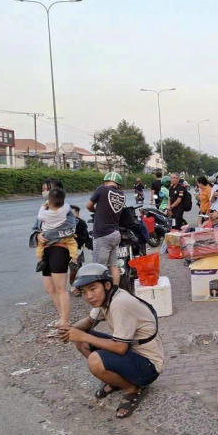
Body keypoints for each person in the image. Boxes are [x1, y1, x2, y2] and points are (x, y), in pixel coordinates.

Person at [60, 264, 164, 419]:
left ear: (106, 285)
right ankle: (117, 380)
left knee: (95, 360)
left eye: (93, 289)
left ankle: (131, 389)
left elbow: (120, 348)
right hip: (132, 352)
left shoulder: (119, 303)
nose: (89, 296)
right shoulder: (107, 298)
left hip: (149, 365)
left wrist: (82, 336)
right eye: (84, 292)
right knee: (81, 342)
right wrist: (68, 330)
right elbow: (89, 321)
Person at [31, 178, 77, 330]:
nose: (44, 191)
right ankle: (61, 316)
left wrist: (48, 235)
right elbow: (36, 227)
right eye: (43, 188)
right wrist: (38, 235)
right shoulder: (44, 209)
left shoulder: (65, 210)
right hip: (45, 250)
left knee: (60, 288)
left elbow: (72, 227)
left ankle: (65, 320)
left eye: (47, 188)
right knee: (49, 287)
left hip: (59, 249)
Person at [86, 172, 126, 285]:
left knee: (98, 267)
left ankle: (102, 293)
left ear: (106, 181)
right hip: (115, 234)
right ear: (118, 184)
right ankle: (115, 290)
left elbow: (88, 206)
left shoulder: (102, 189)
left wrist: (95, 211)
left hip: (103, 234)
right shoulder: (122, 195)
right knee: (114, 265)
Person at [35, 187, 79, 273]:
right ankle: (74, 261)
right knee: (73, 244)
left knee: (40, 245)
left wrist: (44, 206)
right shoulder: (64, 209)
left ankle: (40, 261)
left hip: (48, 235)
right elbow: (66, 205)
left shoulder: (44, 214)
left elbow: (39, 216)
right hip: (64, 236)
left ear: (49, 202)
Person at [68, 204, 91, 294]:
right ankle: (74, 286)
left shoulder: (81, 223)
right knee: (74, 267)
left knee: (77, 267)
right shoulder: (68, 222)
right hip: (69, 248)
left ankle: (77, 286)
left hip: (78, 248)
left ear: (76, 212)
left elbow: (85, 236)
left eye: (71, 212)